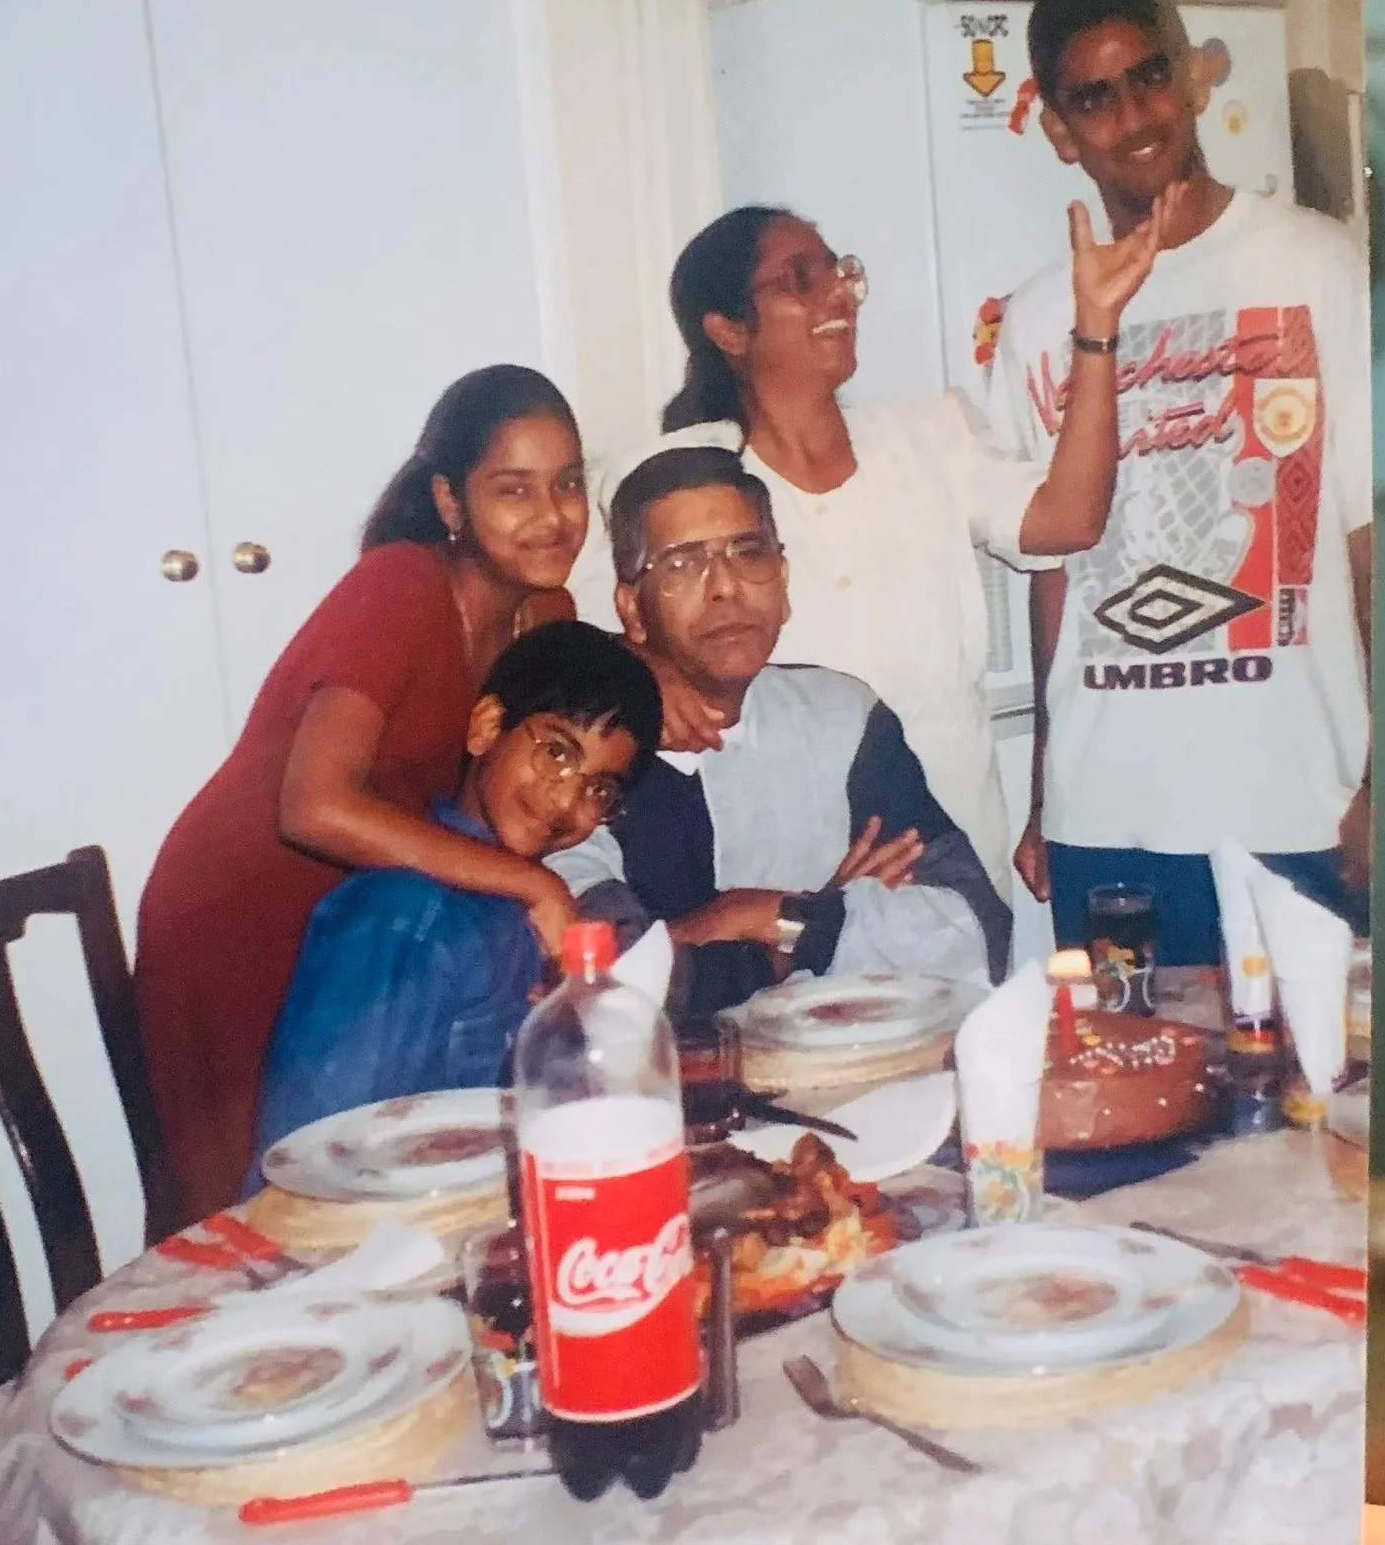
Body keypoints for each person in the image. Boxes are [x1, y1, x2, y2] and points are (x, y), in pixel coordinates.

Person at [569, 200, 1159, 910]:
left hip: (954, 873)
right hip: (785, 881)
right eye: (800, 279)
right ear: (728, 330)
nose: (838, 294)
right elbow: (559, 625)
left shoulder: (928, 437)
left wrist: (1096, 329)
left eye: (839, 272)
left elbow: (1071, 519)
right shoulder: (677, 480)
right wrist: (639, 669)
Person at [978, 0, 1373, 965]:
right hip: (1107, 818)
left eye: (1149, 76)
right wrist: (1044, 794)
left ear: (1193, 78)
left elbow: (1374, 538)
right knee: (1128, 1066)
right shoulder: (1038, 319)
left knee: (1316, 1068)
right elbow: (1052, 572)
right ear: (1059, 131)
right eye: (1094, 98)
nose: (1134, 116)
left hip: (1297, 804)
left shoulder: (1317, 265)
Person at [136, 364, 596, 1218]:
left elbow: (567, 748)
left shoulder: (547, 616)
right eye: (514, 489)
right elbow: (313, 807)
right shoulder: (401, 585)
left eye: (569, 483)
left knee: (367, 1191)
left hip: (366, 926)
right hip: (236, 917)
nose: (552, 514)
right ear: (451, 501)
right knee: (259, 1217)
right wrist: (530, 885)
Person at [553, 446, 1011, 1023]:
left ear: (784, 580)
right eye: (683, 564)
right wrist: (814, 925)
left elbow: (979, 932)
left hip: (847, 1064)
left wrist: (781, 918)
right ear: (632, 611)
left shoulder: (841, 718)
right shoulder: (588, 753)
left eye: (748, 553)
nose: (725, 587)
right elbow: (608, 980)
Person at [243, 621, 662, 1185]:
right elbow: (314, 1163)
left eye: (600, 790)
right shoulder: (406, 917)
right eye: (557, 753)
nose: (567, 800)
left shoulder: (531, 918)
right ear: (487, 728)